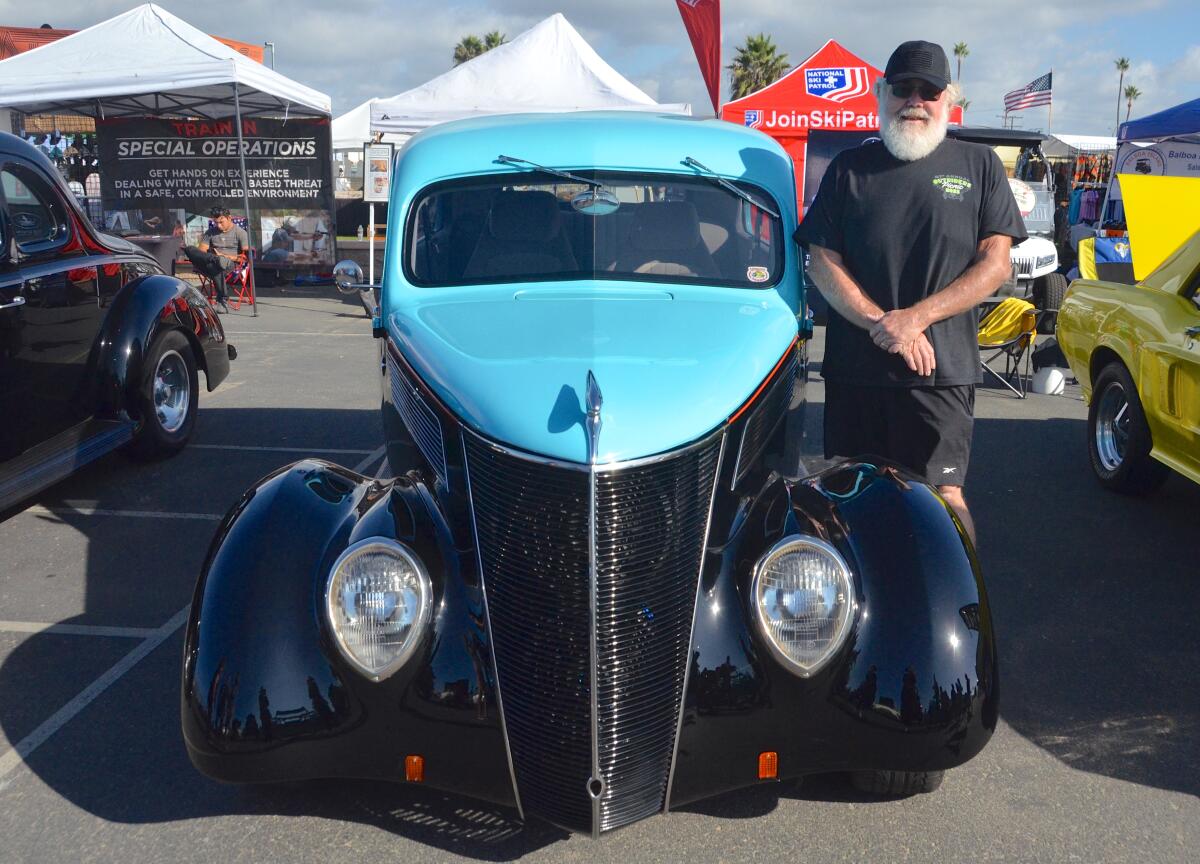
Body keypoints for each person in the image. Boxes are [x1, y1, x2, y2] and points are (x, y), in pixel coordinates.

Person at [795, 40, 1027, 544]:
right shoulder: (850, 169)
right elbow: (821, 261)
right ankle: (850, 612)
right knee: (848, 492)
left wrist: (915, 318)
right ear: (882, 93)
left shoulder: (980, 165)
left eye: (929, 90)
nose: (915, 100)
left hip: (939, 374)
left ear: (949, 99)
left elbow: (995, 265)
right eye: (904, 88)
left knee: (945, 499)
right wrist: (886, 324)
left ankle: (961, 610)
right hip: (859, 371)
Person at [183, 207, 250, 313]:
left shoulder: (240, 233)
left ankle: (222, 299)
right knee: (190, 249)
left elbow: (246, 258)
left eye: (221, 222)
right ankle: (222, 301)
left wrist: (224, 256)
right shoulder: (210, 232)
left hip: (230, 264)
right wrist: (214, 256)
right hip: (210, 261)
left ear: (229, 218)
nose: (218, 225)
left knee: (216, 266)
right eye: (216, 222)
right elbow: (201, 253)